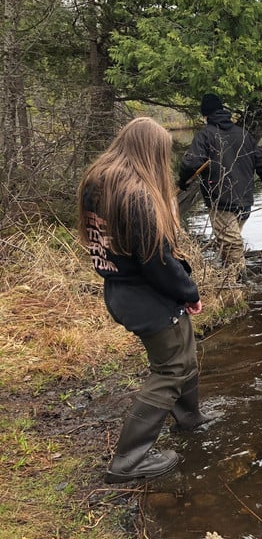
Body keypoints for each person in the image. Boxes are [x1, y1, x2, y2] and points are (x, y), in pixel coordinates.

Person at [77, 117, 212, 484]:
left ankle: (189, 419)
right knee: (170, 368)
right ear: (151, 152)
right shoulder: (136, 194)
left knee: (183, 354)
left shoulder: (99, 181)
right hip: (146, 297)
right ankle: (129, 458)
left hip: (121, 290)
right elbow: (157, 261)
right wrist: (189, 292)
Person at [178, 93, 262, 279]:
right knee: (229, 241)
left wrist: (182, 181)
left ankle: (242, 283)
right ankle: (228, 280)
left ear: (205, 115)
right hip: (245, 201)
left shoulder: (205, 135)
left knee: (231, 243)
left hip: (220, 200)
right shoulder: (243, 134)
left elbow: (190, 163)